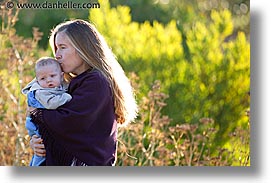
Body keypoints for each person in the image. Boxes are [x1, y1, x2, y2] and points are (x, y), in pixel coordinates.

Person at [29, 19, 138, 166]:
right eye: (56, 49)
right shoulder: (76, 83)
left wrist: (37, 112)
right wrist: (37, 141)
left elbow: (69, 123)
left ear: (82, 47)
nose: (57, 55)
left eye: (62, 47)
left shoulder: (95, 82)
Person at [22, 57, 72, 166]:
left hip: (43, 121)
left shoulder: (59, 85)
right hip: (35, 125)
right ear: (37, 80)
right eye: (43, 78)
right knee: (42, 151)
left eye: (52, 76)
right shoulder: (40, 92)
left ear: (61, 76)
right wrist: (68, 98)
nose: (48, 80)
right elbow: (52, 103)